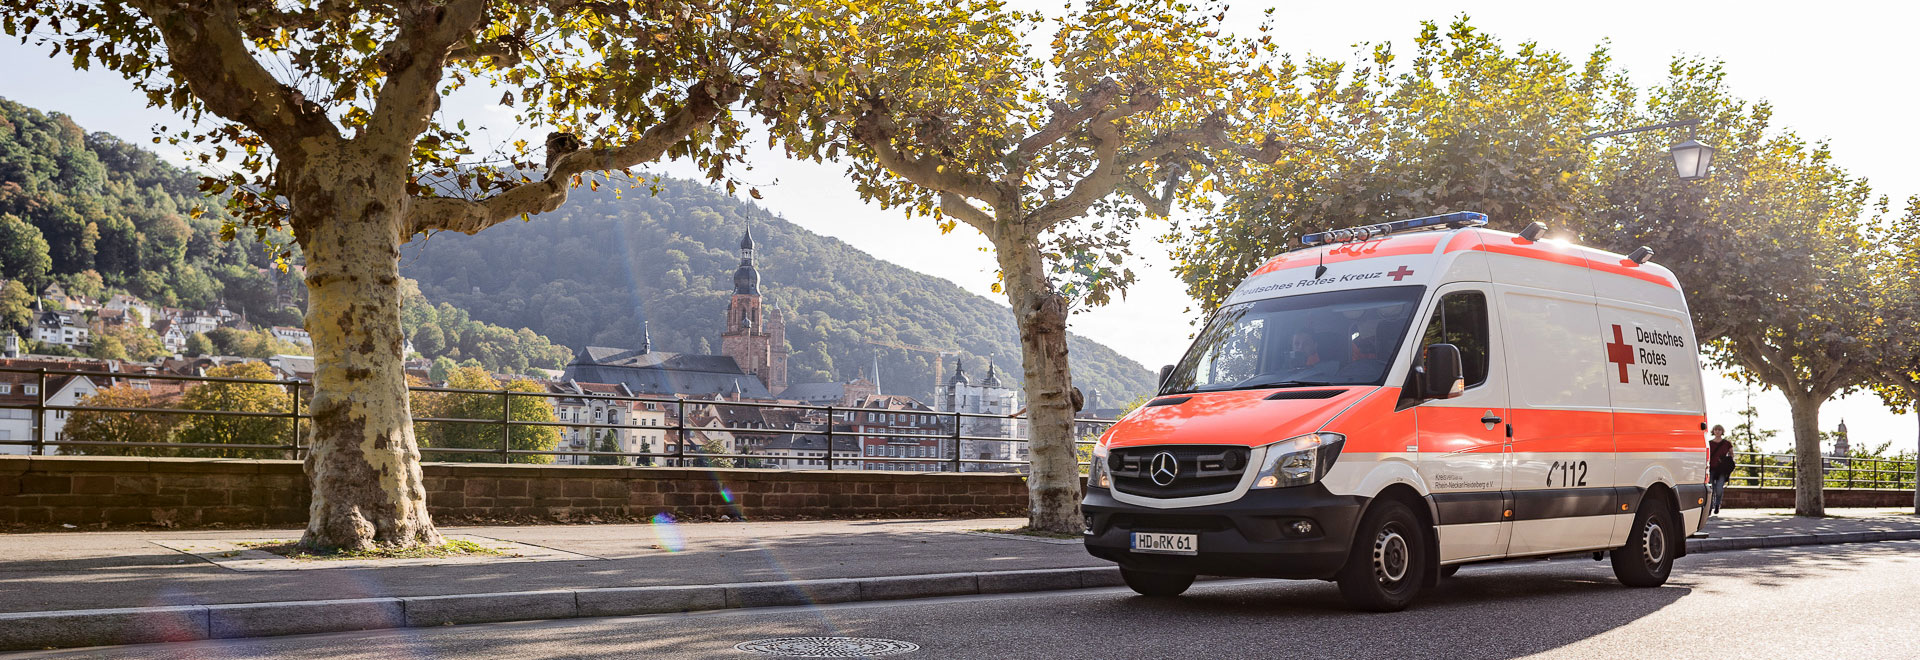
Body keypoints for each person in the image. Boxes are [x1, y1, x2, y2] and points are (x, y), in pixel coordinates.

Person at [1707, 424, 1735, 515]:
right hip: (1711, 468)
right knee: (1711, 489)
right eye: (1716, 429)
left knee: (1719, 489)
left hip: (1722, 469)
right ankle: (1710, 507)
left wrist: (1727, 462)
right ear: (1713, 431)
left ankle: (1717, 505)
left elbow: (1731, 454)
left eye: (1719, 430)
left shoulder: (1727, 443)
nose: (1717, 431)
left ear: (1722, 431)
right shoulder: (1710, 443)